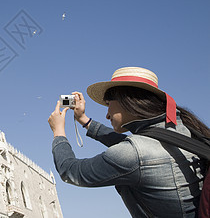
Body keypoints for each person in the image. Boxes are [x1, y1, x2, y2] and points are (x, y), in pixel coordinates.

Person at [48, 67, 209, 217]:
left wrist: (58, 132)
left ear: (126, 100)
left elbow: (70, 171)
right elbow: (132, 147)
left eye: (108, 104)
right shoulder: (183, 127)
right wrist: (84, 120)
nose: (107, 115)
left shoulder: (135, 153)